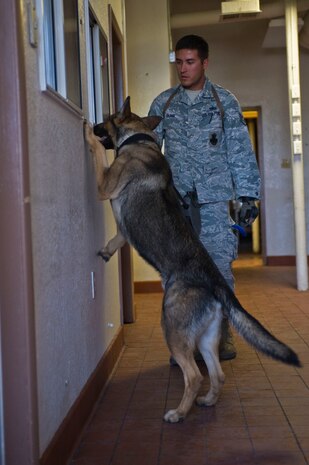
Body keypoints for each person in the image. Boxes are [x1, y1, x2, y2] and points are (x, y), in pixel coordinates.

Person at [148, 34, 261, 360]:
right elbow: (148, 150)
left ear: (204, 63)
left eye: (190, 62)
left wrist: (248, 196)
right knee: (176, 277)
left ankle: (222, 336)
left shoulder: (224, 102)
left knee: (219, 272)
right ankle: (182, 343)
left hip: (213, 205)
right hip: (176, 206)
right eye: (179, 62)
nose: (183, 69)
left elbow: (239, 150)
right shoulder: (163, 104)